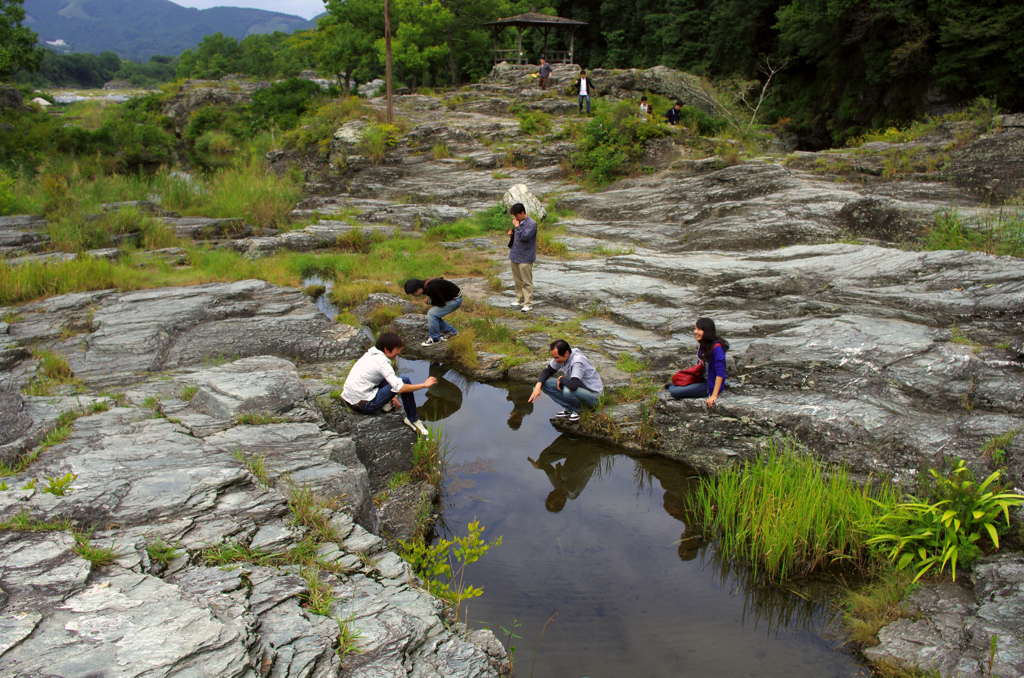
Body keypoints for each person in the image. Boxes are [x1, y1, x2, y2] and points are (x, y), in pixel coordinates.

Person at [340, 331, 436, 436]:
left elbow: (385, 379)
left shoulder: (371, 354)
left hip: (350, 399)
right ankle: (413, 419)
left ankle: (388, 403)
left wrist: (391, 397)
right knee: (404, 381)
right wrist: (424, 385)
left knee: (387, 377)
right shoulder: (382, 362)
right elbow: (401, 388)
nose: (399, 352)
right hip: (365, 405)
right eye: (397, 349)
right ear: (386, 349)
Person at [528, 339, 604, 422]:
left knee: (568, 390)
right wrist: (537, 386)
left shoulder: (577, 362)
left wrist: (561, 379)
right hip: (579, 389)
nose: (555, 360)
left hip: (594, 397)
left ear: (566, 353)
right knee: (545, 383)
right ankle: (571, 408)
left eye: (557, 358)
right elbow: (547, 371)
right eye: (554, 358)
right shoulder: (561, 357)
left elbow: (573, 385)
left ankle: (580, 411)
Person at [668, 318, 728, 407]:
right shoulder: (704, 344)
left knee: (674, 391)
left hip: (709, 385)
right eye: (695, 329)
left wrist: (714, 395)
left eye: (699, 329)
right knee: (674, 383)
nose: (695, 332)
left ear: (707, 331)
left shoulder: (717, 349)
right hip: (701, 379)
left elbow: (720, 373)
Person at [403, 277, 461, 346]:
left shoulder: (430, 287)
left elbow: (441, 303)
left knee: (432, 314)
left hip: (455, 300)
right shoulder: (426, 285)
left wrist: (429, 301)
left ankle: (435, 338)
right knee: (434, 315)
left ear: (418, 289)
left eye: (413, 293)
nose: (413, 295)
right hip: (451, 298)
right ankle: (452, 332)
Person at [507, 202, 537, 312]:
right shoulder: (518, 223)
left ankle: (528, 303)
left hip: (525, 257)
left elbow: (525, 237)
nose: (515, 218)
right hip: (515, 255)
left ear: (522, 212)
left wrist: (517, 227)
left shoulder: (531, 224)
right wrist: (512, 234)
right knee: (517, 280)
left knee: (526, 281)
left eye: (516, 215)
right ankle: (519, 299)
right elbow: (518, 236)